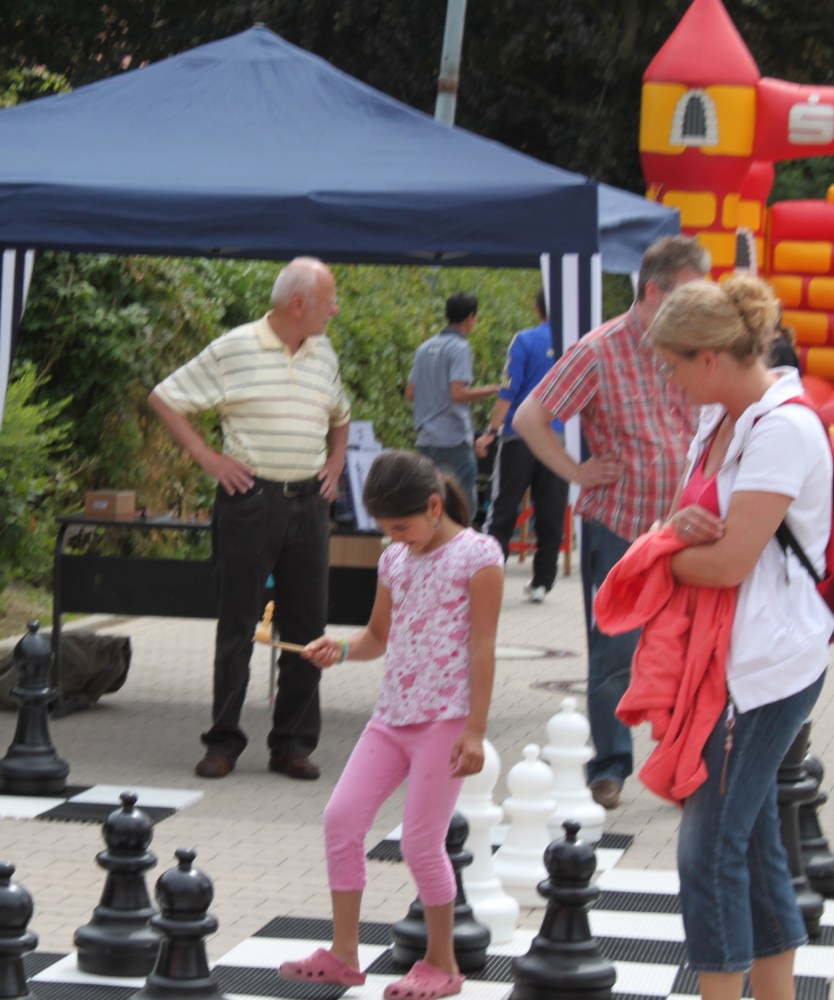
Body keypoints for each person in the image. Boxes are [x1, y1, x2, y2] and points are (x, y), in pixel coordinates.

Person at [647, 274, 833, 1000]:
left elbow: (727, 563)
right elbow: (684, 524)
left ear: (710, 358)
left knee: (709, 851)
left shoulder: (783, 427)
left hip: (765, 666)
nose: (670, 382)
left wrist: (652, 558)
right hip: (727, 658)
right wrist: (670, 536)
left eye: (673, 366)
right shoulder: (720, 416)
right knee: (751, 847)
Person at [277, 449, 504, 999]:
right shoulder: (394, 560)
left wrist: (475, 730)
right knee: (341, 819)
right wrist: (339, 648)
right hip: (392, 717)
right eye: (387, 529)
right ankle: (344, 955)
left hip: (445, 721)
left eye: (402, 526)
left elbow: (483, 647)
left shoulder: (479, 556)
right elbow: (378, 637)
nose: (396, 538)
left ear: (434, 506)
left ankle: (443, 964)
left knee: (421, 843)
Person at [512, 235, 710, 809]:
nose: (698, 306)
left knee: (690, 647)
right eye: (688, 294)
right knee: (613, 652)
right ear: (653, 292)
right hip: (620, 525)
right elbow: (529, 417)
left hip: (686, 525)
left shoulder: (695, 344)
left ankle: (683, 764)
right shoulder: (599, 350)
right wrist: (576, 471)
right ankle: (610, 766)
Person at [148, 256, 350, 781]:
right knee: (237, 623)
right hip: (251, 500)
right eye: (328, 301)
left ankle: (292, 745)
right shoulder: (234, 347)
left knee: (308, 627)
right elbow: (165, 398)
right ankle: (223, 742)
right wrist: (207, 458)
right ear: (298, 304)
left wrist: (336, 462)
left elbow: (341, 414)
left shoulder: (324, 351)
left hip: (309, 503)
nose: (334, 310)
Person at [475, 289, 569, 603]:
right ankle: (542, 582)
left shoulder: (524, 340)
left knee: (502, 509)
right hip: (559, 438)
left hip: (519, 436)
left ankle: (490, 577)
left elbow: (508, 391)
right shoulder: (579, 342)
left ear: (536, 308)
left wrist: (491, 431)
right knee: (551, 512)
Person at [407, 292, 499, 509]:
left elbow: (410, 393)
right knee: (462, 504)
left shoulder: (424, 347)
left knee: (429, 501)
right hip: (453, 440)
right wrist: (494, 389)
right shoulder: (460, 348)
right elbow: (458, 394)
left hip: (426, 439)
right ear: (471, 317)